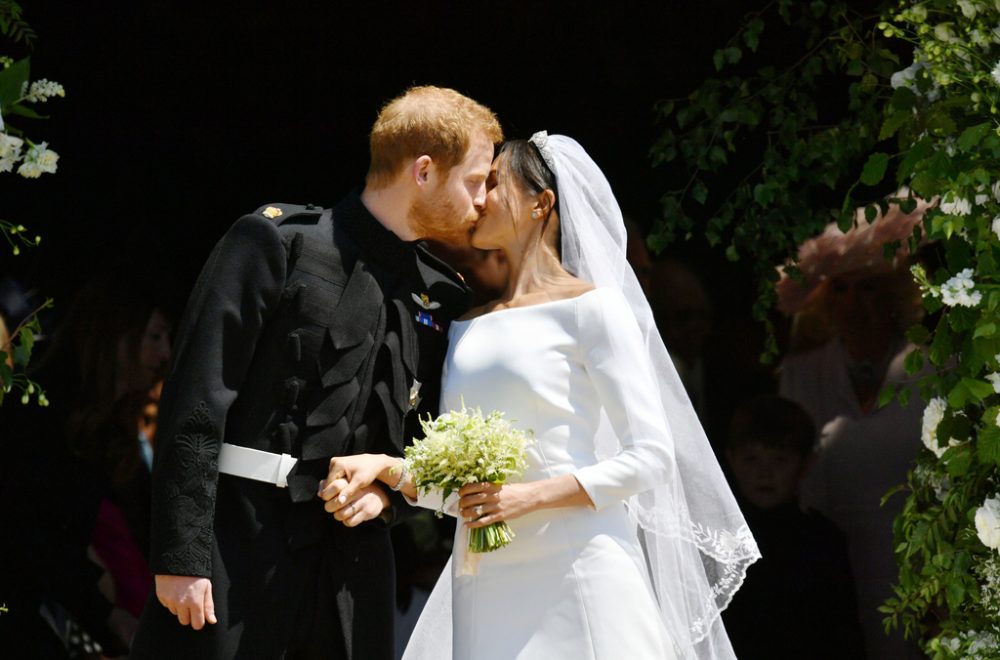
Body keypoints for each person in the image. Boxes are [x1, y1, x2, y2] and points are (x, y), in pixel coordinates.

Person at [321, 133, 759, 659]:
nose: (478, 199)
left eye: (493, 184)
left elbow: (651, 457)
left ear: (540, 204)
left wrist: (526, 498)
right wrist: (388, 469)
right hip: (485, 581)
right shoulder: (464, 324)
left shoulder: (593, 310)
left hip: (579, 566)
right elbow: (468, 491)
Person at [129, 86, 502, 660]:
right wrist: (180, 558)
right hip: (237, 548)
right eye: (475, 180)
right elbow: (197, 400)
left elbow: (426, 443)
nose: (484, 199)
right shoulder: (276, 243)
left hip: (355, 575)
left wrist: (389, 499)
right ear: (424, 171)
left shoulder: (441, 296)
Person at [775, 198, 929, 660]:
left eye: (866, 289)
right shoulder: (801, 373)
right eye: (839, 289)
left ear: (893, 296)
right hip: (829, 566)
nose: (852, 303)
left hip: (914, 565)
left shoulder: (934, 366)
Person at [722, 395, 866, 659]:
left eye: (779, 460)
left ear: (806, 463)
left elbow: (844, 637)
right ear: (731, 459)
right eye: (752, 459)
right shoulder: (717, 540)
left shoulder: (823, 541)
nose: (764, 473)